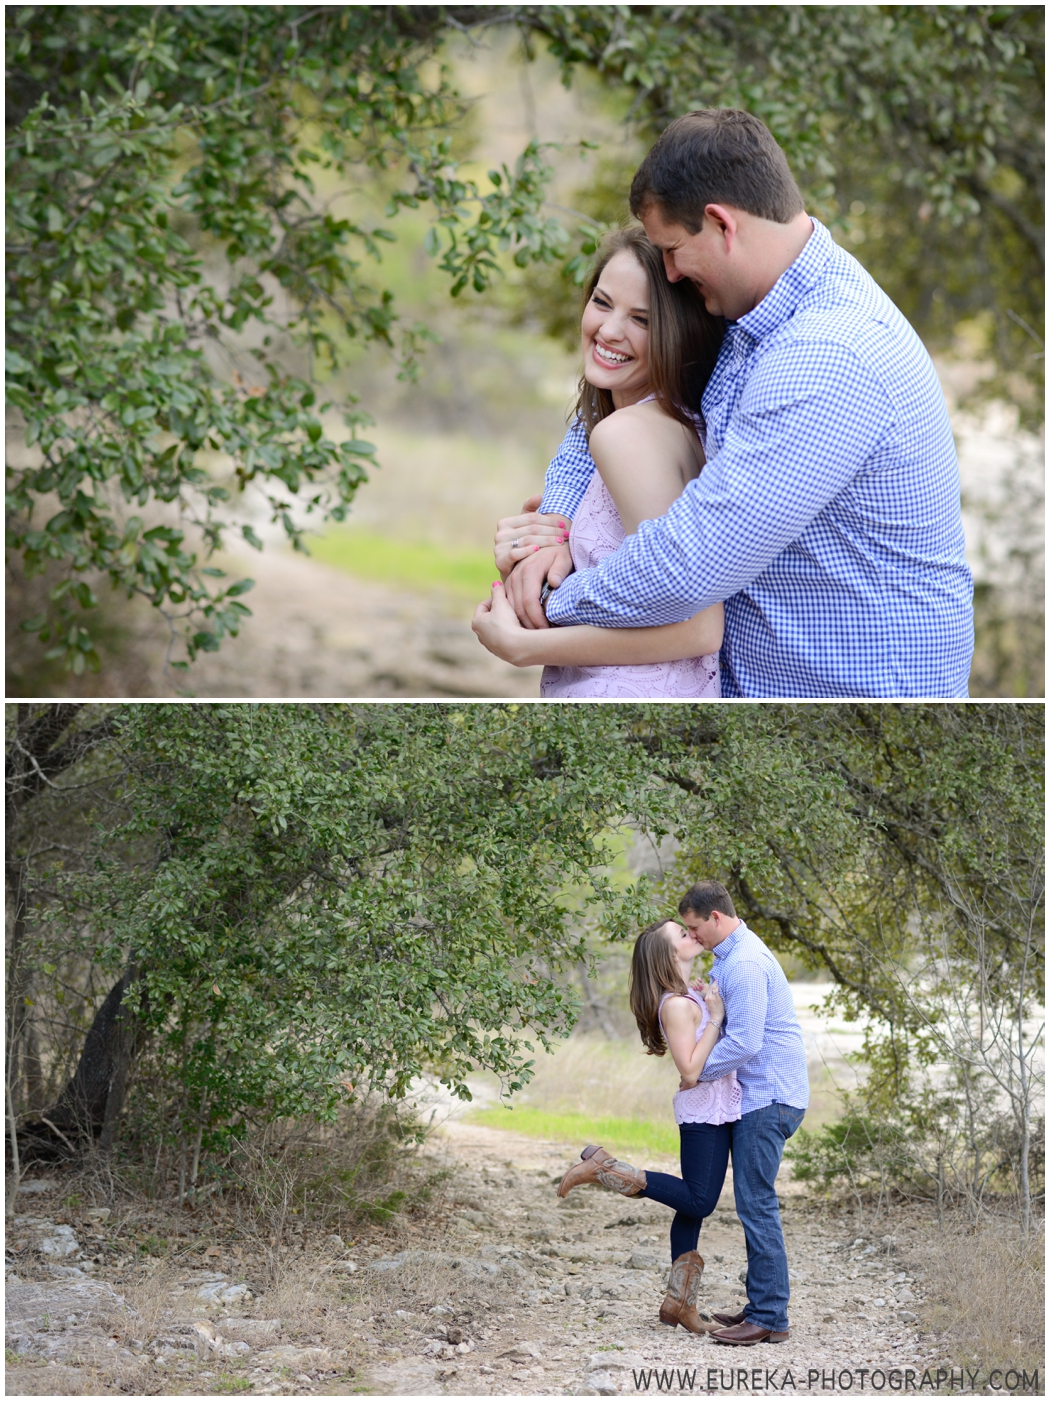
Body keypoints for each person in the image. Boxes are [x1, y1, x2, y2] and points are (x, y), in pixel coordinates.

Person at [497, 108, 974, 699]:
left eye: (671, 249)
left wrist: (545, 604)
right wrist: (555, 532)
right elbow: (614, 403)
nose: (667, 272)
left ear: (722, 224)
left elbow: (687, 565)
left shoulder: (826, 356)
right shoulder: (748, 308)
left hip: (848, 704)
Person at [472, 226, 725, 697]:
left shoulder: (628, 435)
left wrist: (527, 643)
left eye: (643, 320)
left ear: (681, 333)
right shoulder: (638, 421)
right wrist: (539, 556)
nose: (609, 330)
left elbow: (700, 630)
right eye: (603, 303)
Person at [555, 916, 741, 1335]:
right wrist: (715, 1016)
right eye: (682, 933)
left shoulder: (687, 994)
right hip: (702, 1109)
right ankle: (606, 1168)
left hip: (716, 1107)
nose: (691, 934)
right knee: (699, 1201)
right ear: (666, 952)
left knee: (690, 1207)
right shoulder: (676, 1005)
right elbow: (690, 1070)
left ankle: (681, 1304)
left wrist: (709, 1006)